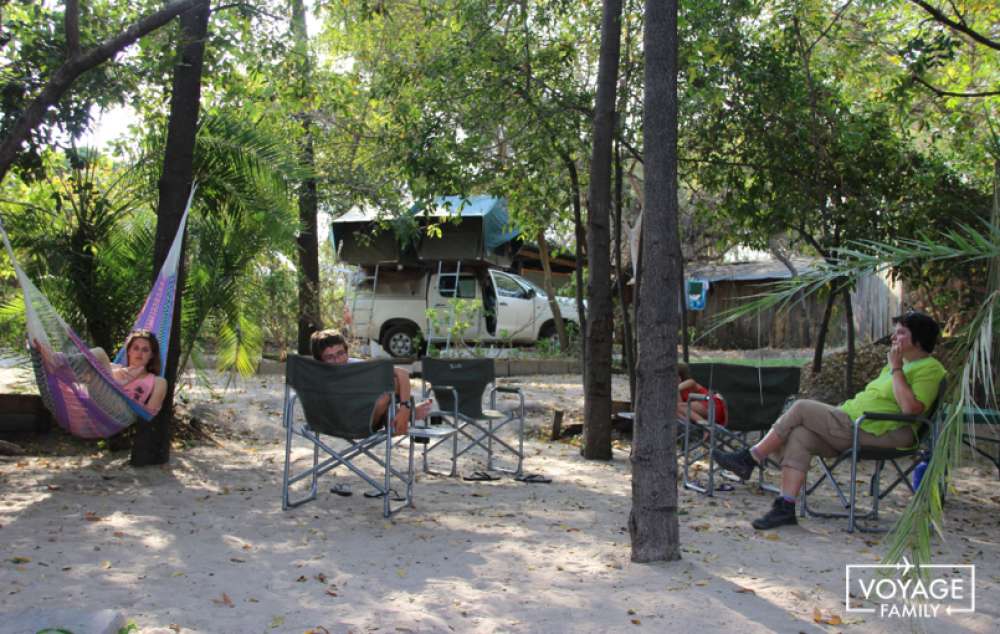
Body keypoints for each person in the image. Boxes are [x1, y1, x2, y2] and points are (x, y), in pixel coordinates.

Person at [712, 311, 946, 530]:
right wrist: (895, 368)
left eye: (902, 332)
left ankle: (751, 457)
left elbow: (911, 409)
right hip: (855, 425)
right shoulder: (898, 365)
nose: (894, 336)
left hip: (882, 431)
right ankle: (785, 507)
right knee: (800, 436)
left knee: (802, 407)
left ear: (918, 340)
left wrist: (896, 369)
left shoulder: (929, 369)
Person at [309, 329, 431, 435]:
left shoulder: (355, 365)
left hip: (368, 418)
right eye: (329, 357)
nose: (337, 360)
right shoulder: (317, 377)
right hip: (340, 424)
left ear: (347, 351)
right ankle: (400, 415)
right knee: (384, 392)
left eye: (340, 353)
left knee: (392, 383)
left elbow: (402, 373)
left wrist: (405, 407)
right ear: (319, 360)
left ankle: (401, 414)